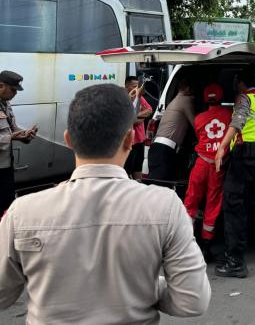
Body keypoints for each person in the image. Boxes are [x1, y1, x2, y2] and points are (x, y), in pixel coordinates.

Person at [0, 84, 211, 323]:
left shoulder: (23, 212)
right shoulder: (165, 206)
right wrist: (145, 287)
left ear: (68, 139)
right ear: (130, 139)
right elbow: (192, 300)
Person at [214, 68, 255, 278]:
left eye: (237, 81)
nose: (235, 85)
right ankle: (237, 254)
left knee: (232, 206)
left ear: (242, 83)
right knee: (245, 206)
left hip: (244, 155)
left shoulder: (243, 99)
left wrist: (222, 147)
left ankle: (235, 262)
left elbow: (238, 121)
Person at [184, 83, 232, 255]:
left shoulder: (198, 119)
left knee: (191, 201)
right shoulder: (230, 115)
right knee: (213, 203)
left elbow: (199, 136)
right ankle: (206, 244)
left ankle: (186, 241)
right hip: (218, 167)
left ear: (205, 99)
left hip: (201, 164)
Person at [0, 70, 37, 215]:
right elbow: (10, 135)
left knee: (7, 204)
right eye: (13, 90)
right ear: (1, 85)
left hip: (6, 166)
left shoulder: (5, 104)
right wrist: (12, 138)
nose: (15, 94)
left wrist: (25, 134)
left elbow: (11, 128)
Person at [148, 78, 195, 180]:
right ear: (187, 88)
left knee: (157, 184)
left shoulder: (173, 101)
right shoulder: (185, 100)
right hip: (165, 150)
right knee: (161, 186)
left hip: (157, 147)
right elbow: (196, 124)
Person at [124, 76, 152, 179]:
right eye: (135, 86)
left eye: (138, 86)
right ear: (127, 87)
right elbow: (129, 120)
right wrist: (138, 118)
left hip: (140, 140)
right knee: (126, 169)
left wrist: (137, 116)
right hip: (129, 141)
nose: (137, 89)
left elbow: (149, 110)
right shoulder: (123, 100)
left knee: (138, 167)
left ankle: (138, 187)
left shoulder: (139, 97)